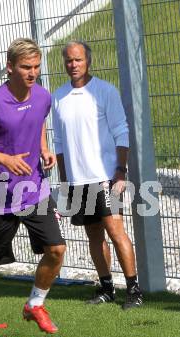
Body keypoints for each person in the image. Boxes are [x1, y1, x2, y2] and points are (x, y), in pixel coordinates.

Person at [0, 38, 66, 337]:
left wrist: (44, 148)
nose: (32, 73)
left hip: (34, 191)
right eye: (25, 67)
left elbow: (38, 122)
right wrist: (4, 159)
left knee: (56, 249)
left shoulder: (43, 96)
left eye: (36, 67)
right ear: (10, 67)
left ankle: (35, 304)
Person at [52, 40, 143, 310]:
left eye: (78, 59)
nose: (73, 65)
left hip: (105, 177)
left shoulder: (105, 91)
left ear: (88, 61)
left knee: (116, 231)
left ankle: (134, 290)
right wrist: (65, 181)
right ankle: (106, 288)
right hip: (77, 181)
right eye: (69, 60)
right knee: (94, 235)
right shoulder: (58, 97)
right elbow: (58, 143)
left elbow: (121, 132)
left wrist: (120, 171)